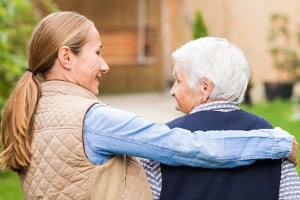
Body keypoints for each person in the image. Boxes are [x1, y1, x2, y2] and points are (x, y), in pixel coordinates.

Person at [0, 12, 297, 200]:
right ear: (66, 58)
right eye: (97, 52)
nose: (104, 65)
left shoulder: (31, 112)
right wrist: (277, 142)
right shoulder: (92, 120)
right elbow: (188, 146)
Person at [140, 37, 300, 200]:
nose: (172, 91)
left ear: (205, 87)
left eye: (179, 81)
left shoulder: (163, 140)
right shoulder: (273, 139)